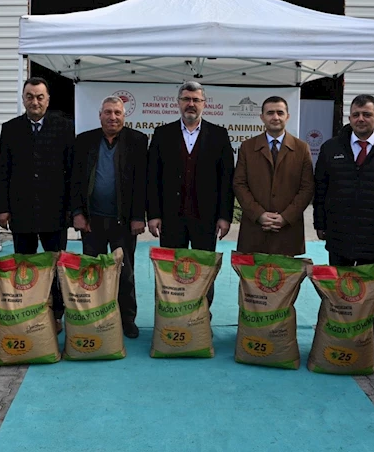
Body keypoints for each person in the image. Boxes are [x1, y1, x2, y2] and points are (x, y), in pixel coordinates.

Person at [0, 77, 74, 333]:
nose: (35, 101)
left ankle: (57, 314)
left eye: (40, 97)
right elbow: (3, 170)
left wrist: (71, 210)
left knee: (56, 267)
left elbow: (71, 171)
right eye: (30, 97)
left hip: (55, 211)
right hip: (22, 211)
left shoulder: (64, 127)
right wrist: (2, 208)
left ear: (48, 100)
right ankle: (28, 310)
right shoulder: (11, 128)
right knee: (25, 268)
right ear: (23, 99)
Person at [147, 81, 234, 306]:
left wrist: (224, 216)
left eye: (196, 100)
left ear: (204, 103)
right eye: (186, 99)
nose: (191, 104)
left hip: (206, 218)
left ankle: (202, 315)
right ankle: (172, 314)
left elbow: (226, 180)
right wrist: (153, 214)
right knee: (171, 270)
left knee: (204, 270)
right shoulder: (162, 134)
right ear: (178, 102)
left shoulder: (219, 135)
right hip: (171, 217)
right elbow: (153, 177)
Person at [71, 96, 148, 338]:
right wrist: (77, 213)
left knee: (125, 273)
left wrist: (138, 217)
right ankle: (93, 318)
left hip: (122, 222)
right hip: (91, 221)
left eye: (117, 112)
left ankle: (127, 320)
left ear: (124, 116)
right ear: (100, 115)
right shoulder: (84, 141)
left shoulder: (137, 141)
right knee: (91, 274)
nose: (112, 117)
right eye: (108, 112)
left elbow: (142, 183)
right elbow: (75, 180)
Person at [314, 94, 374, 266]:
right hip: (339, 236)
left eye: (367, 114)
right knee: (338, 283)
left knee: (370, 283)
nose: (361, 119)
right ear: (349, 119)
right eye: (356, 115)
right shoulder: (330, 148)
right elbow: (320, 189)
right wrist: (320, 223)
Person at [234, 95, 314, 256]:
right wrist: (259, 214)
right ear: (262, 117)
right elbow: (239, 184)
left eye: (280, 112)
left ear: (287, 116)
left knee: (286, 273)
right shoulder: (247, 147)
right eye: (270, 113)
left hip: (288, 231)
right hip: (255, 230)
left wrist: (286, 217)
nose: (275, 117)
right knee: (252, 273)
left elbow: (307, 188)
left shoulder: (302, 148)